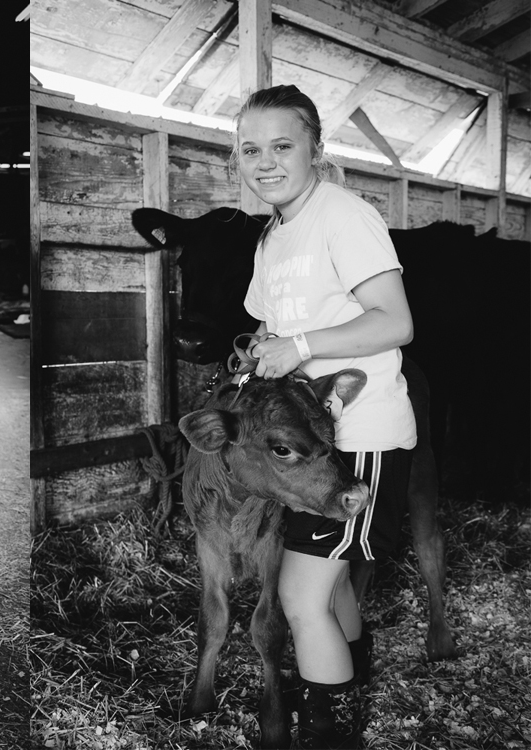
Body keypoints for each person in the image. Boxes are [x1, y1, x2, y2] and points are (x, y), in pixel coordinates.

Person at [235, 85, 416, 749]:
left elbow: (396, 321)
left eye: (282, 146)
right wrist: (262, 348)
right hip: (307, 440)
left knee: (300, 597)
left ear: (316, 147)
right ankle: (351, 672)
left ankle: (327, 732)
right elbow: (272, 324)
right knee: (330, 580)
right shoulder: (273, 236)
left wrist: (303, 347)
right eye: (250, 149)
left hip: (354, 440)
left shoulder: (344, 215)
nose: (265, 161)